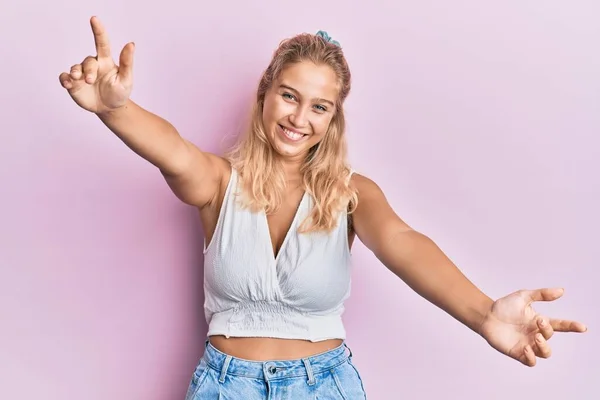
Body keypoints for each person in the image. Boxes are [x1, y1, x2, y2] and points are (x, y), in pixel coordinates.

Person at [59, 16, 587, 400]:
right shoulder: (219, 182)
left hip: (325, 386)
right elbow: (172, 151)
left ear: (333, 117)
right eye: (289, 96)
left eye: (319, 107)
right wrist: (116, 110)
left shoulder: (352, 194)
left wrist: (483, 313)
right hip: (226, 386)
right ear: (266, 92)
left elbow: (403, 244)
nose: (299, 118)